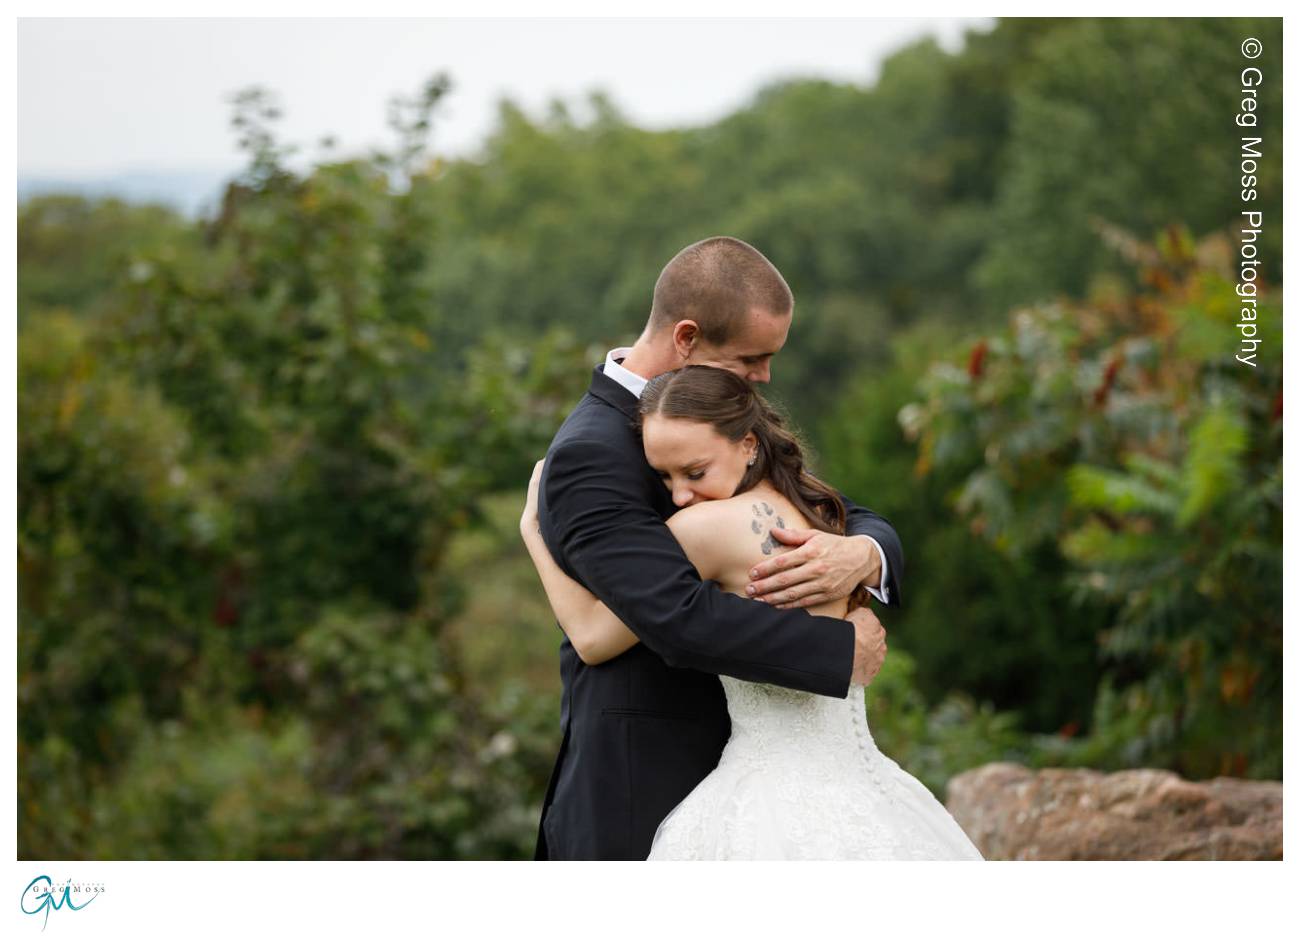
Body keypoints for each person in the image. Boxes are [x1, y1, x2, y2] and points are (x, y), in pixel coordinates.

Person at [523, 236, 903, 861]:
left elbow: (831, 506)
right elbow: (674, 615)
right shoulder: (591, 453)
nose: (764, 376)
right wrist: (838, 649)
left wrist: (866, 553)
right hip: (645, 780)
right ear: (687, 337)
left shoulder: (712, 409)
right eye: (752, 357)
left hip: (762, 773)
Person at [522, 365, 983, 859]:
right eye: (664, 477)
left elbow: (592, 637)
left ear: (747, 445)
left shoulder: (702, 529)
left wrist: (534, 533)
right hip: (869, 789)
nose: (679, 495)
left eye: (695, 472)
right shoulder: (821, 510)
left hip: (765, 801)